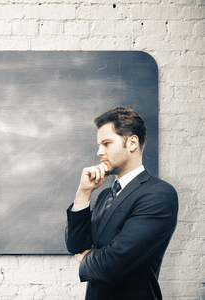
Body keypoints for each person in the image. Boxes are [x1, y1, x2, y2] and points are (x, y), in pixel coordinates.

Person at [65, 107, 178, 300]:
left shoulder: (159, 194)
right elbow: (76, 245)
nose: (99, 152)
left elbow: (113, 265)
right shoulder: (104, 196)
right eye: (99, 145)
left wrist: (85, 257)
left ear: (132, 142)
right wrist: (84, 193)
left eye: (106, 143)